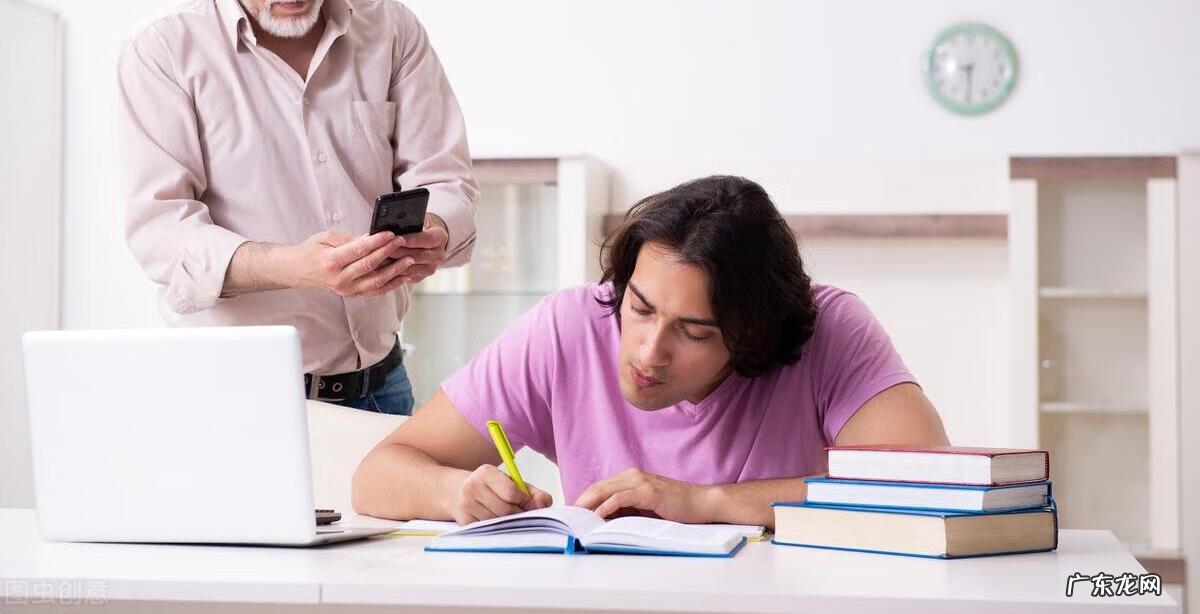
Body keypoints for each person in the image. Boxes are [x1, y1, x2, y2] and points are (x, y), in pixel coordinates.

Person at [116, 0, 478, 416]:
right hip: (235, 397)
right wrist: (298, 266)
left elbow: (447, 179)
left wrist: (432, 229)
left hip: (383, 386)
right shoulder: (161, 52)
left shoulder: (392, 31)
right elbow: (162, 234)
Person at [352, 175, 948, 526]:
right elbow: (377, 476)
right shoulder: (568, 328)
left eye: (693, 332)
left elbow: (925, 482)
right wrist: (453, 492)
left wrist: (706, 502)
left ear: (754, 334)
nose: (648, 351)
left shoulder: (829, 328)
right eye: (639, 308)